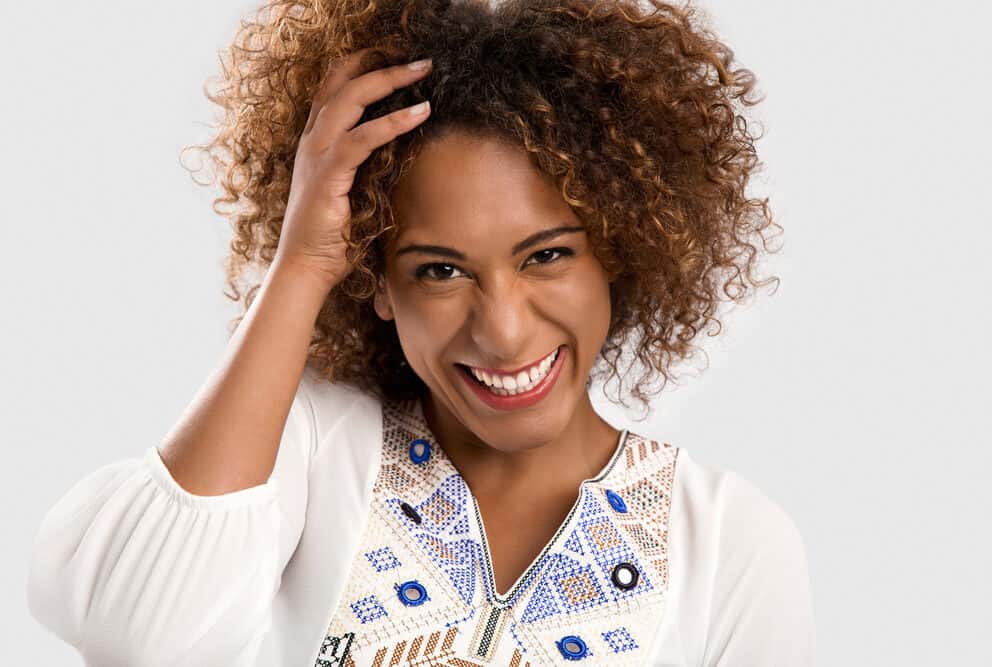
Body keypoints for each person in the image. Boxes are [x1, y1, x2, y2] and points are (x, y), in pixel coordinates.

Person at [26, 0, 816, 664]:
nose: (504, 332)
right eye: (441, 270)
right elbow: (130, 624)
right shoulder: (313, 448)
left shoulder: (725, 543)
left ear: (618, 245)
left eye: (546, 255)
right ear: (374, 279)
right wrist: (301, 262)